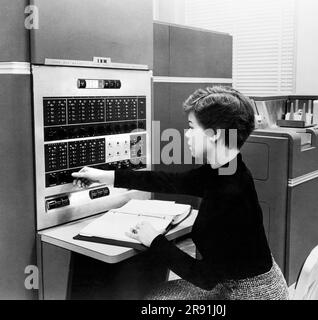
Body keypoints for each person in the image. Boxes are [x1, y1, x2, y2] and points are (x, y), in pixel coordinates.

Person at [72, 86, 289, 300]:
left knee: (157, 302)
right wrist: (105, 176)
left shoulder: (229, 193)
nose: (186, 135)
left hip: (250, 294)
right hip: (235, 282)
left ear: (214, 135)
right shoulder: (228, 169)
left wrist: (155, 240)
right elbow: (169, 181)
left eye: (191, 127)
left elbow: (204, 277)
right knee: (159, 295)